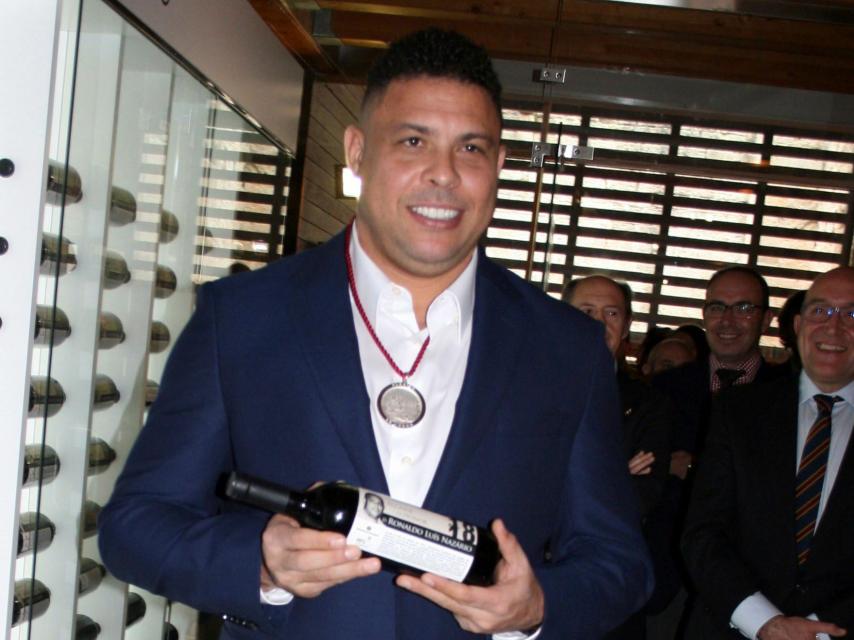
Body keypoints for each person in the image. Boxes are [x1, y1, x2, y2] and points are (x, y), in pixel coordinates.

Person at [98, 28, 652, 639]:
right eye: (413, 141)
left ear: (498, 165)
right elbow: (135, 526)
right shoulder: (244, 316)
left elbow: (620, 563)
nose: (443, 175)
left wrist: (538, 605)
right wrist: (258, 560)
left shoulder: (567, 349)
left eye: (471, 149)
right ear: (358, 152)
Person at [681, 266, 854, 639]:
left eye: (851, 314)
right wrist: (765, 622)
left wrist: (819, 630)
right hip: (731, 627)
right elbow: (703, 533)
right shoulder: (738, 411)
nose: (833, 327)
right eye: (820, 310)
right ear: (797, 325)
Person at [648, 266, 789, 638]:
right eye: (716, 308)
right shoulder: (663, 388)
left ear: (766, 318)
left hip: (752, 588)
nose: (727, 321)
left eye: (743, 308)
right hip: (661, 570)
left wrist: (692, 465)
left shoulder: (790, 397)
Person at [564, 275, 673, 639]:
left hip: (609, 582)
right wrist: (613, 476)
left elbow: (644, 495)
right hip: (531, 573)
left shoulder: (650, 404)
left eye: (611, 313)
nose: (598, 322)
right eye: (586, 310)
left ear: (626, 326)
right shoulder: (524, 390)